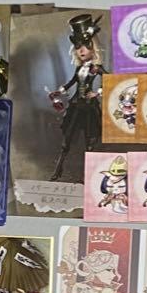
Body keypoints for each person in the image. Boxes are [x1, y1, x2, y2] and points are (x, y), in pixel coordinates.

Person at [49, 15, 106, 181]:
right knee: (67, 140)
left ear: (93, 47)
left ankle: (88, 175)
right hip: (75, 104)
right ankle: (58, 169)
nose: (81, 51)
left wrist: (97, 92)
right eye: (78, 47)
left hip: (89, 106)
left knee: (89, 141)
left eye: (85, 46)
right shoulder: (79, 68)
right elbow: (72, 82)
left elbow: (110, 80)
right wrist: (58, 91)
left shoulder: (97, 67)